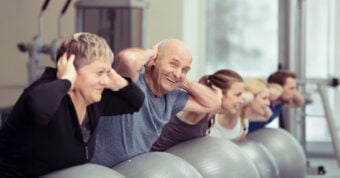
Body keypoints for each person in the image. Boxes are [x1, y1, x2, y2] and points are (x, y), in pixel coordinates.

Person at [0, 32, 145, 178]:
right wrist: (66, 80)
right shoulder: (44, 94)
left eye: (107, 72)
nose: (104, 80)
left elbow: (136, 102)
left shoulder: (92, 100)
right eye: (99, 72)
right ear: (72, 70)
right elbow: (38, 108)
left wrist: (120, 81)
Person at [91, 39, 221, 167]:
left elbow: (213, 103)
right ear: (154, 61)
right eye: (173, 64)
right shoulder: (131, 84)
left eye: (185, 69)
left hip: (132, 171)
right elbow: (128, 59)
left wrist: (182, 80)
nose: (178, 73)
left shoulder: (173, 97)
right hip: (97, 170)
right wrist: (150, 53)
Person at [150, 69, 244, 151]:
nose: (241, 100)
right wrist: (215, 99)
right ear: (219, 92)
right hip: (152, 159)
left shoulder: (210, 113)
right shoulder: (199, 110)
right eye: (237, 95)